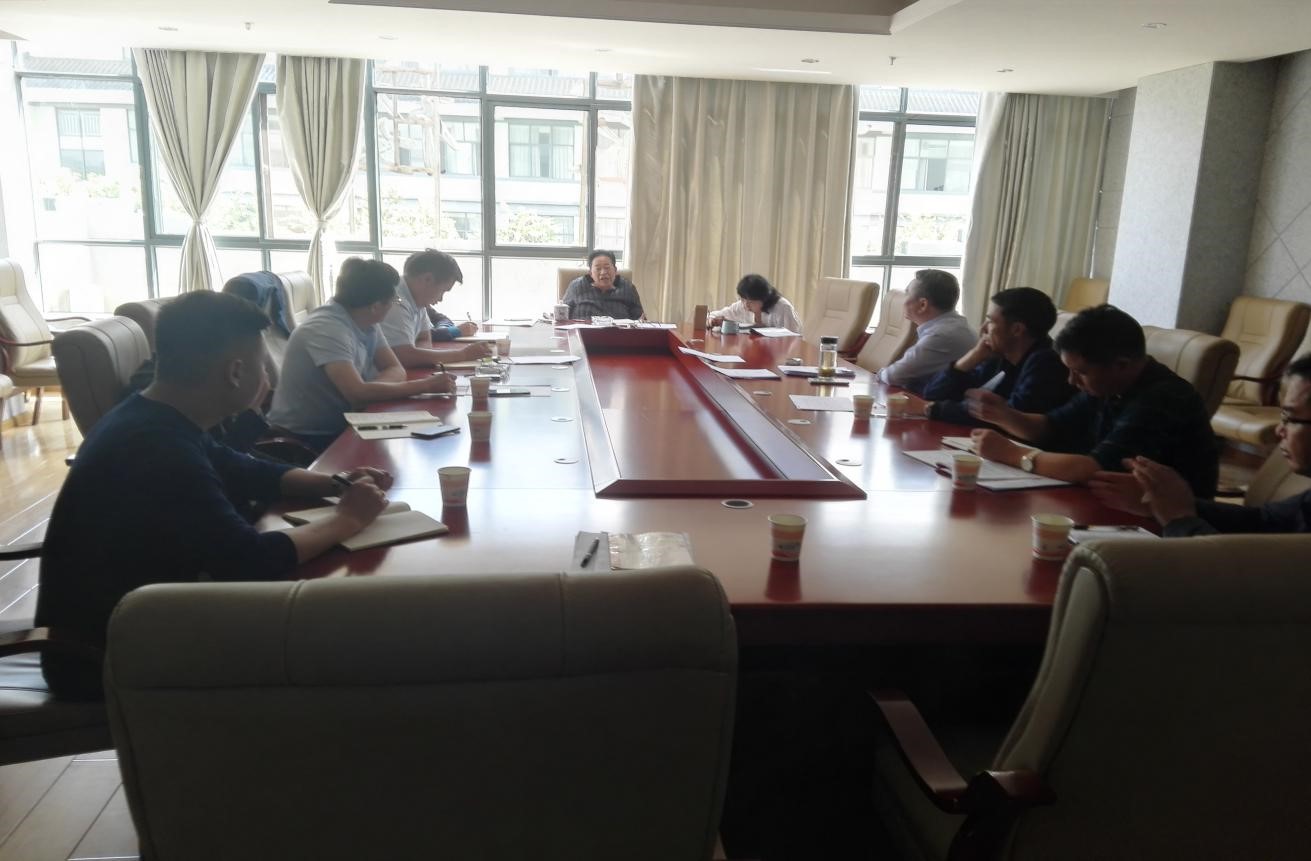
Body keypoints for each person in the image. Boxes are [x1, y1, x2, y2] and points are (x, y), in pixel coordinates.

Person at [35, 291, 392, 700]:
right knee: (351, 639)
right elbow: (248, 560)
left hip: (151, 617)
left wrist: (335, 483)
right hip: (107, 657)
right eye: (264, 366)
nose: (269, 379)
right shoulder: (156, 448)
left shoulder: (152, 417)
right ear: (236, 371)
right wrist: (347, 519)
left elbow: (241, 468)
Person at [969, 304, 1219, 494]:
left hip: (1167, 522)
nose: (1071, 381)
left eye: (1080, 372)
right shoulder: (1107, 385)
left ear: (1121, 365)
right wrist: (1006, 416)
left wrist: (1013, 454)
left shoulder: (1163, 398)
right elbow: (1052, 426)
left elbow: (1094, 468)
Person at [1091, 354, 1311, 535]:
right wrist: (1162, 502)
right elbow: (1264, 520)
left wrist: (1180, 519)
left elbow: (1237, 569)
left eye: (1291, 418)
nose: (1279, 430)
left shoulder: (1164, 393)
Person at [268, 257, 455, 451]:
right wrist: (425, 385)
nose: (394, 305)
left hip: (351, 422)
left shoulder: (366, 319)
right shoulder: (327, 328)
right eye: (394, 300)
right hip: (307, 440)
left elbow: (395, 368)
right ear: (376, 305)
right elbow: (357, 395)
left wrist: (372, 391)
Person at [920, 287, 1073, 424]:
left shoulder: (1046, 363)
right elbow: (933, 393)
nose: (983, 328)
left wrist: (942, 409)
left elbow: (1007, 418)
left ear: (1017, 330)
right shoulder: (999, 354)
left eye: (991, 321)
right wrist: (973, 356)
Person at [381, 249, 493, 369]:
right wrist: (463, 354)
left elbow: (424, 337)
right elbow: (404, 356)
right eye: (443, 291)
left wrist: (420, 357)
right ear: (427, 279)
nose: (441, 299)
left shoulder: (417, 298)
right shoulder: (394, 302)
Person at [876, 269, 976, 393]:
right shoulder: (954, 326)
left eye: (907, 293)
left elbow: (893, 376)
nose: (903, 300)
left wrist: (880, 374)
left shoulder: (940, 336)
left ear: (923, 305)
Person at [562, 250, 644, 320]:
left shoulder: (627, 288)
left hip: (618, 333)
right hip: (583, 332)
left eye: (607, 268)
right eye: (598, 269)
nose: (603, 272)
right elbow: (562, 315)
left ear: (615, 270)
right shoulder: (577, 286)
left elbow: (639, 319)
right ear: (590, 273)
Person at [707, 274, 802, 332]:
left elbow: (794, 338)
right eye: (743, 299)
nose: (746, 305)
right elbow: (714, 315)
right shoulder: (741, 305)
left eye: (751, 302)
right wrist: (711, 320)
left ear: (764, 298)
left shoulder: (783, 307)